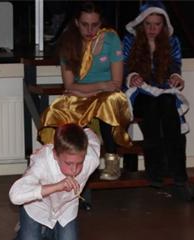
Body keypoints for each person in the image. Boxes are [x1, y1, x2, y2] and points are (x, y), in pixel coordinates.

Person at [38, 1, 131, 181]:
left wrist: (87, 91)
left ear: (101, 23)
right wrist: (99, 86)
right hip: (82, 96)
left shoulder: (111, 39)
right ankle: (61, 164)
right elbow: (69, 86)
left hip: (105, 96)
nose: (90, 30)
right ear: (76, 22)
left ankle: (112, 160)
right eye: (84, 25)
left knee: (110, 101)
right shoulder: (68, 43)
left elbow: (116, 84)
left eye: (94, 25)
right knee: (57, 110)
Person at [123, 1, 192, 200]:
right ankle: (155, 170)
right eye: (148, 24)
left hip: (162, 91)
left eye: (157, 24)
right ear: (141, 24)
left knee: (169, 109)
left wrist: (175, 77)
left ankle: (179, 176)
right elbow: (124, 66)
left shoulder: (171, 42)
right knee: (152, 109)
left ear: (164, 25)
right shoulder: (130, 40)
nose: (152, 29)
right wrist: (132, 76)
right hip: (139, 93)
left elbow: (175, 64)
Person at [9, 123, 100, 240]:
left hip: (65, 209)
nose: (74, 170)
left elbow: (92, 136)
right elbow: (15, 195)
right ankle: (25, 228)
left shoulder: (92, 159)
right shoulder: (41, 162)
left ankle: (47, 232)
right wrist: (57, 186)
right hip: (37, 208)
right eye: (68, 163)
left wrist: (80, 127)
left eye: (79, 163)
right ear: (55, 155)